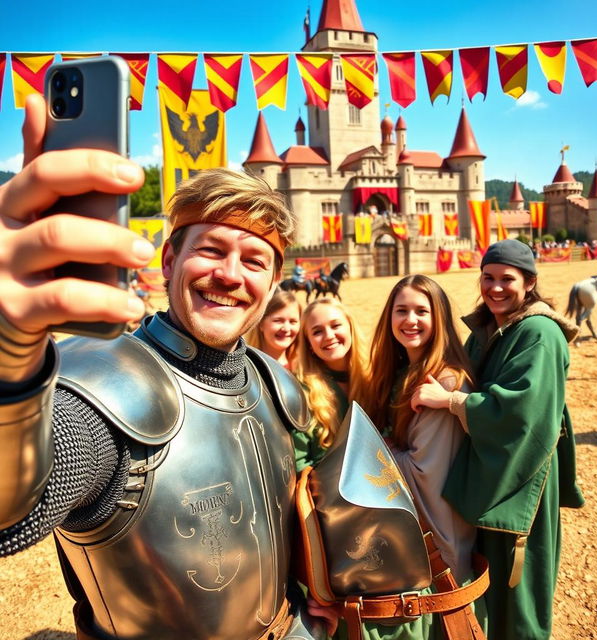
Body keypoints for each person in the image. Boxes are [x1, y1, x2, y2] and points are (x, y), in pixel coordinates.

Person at [0, 95, 325, 640]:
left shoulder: (277, 386)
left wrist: (313, 598)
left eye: (254, 260)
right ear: (170, 260)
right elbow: (12, 504)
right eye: (211, 250)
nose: (230, 274)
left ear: (273, 284)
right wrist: (9, 370)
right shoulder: (108, 389)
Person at [411, 239, 584, 640]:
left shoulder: (539, 333)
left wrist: (450, 399)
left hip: (524, 477)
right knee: (491, 581)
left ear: (529, 283)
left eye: (507, 279)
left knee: (518, 591)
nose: (495, 287)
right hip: (493, 473)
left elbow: (520, 412)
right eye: (488, 277)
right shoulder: (489, 329)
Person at [357, 275, 485, 640]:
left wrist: (371, 449)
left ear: (439, 317)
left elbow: (423, 473)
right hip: (410, 530)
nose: (410, 320)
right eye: (402, 310)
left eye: (421, 311)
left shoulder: (446, 381)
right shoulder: (401, 373)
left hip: (436, 535)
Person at [295, 297, 367, 470]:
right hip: (328, 491)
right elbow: (298, 461)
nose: (329, 336)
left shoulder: (375, 375)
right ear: (309, 343)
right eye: (317, 331)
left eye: (336, 326)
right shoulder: (300, 391)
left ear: (350, 327)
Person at [245, 288, 301, 371]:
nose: (286, 328)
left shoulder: (303, 369)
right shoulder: (246, 368)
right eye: (278, 321)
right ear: (261, 324)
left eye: (293, 321)